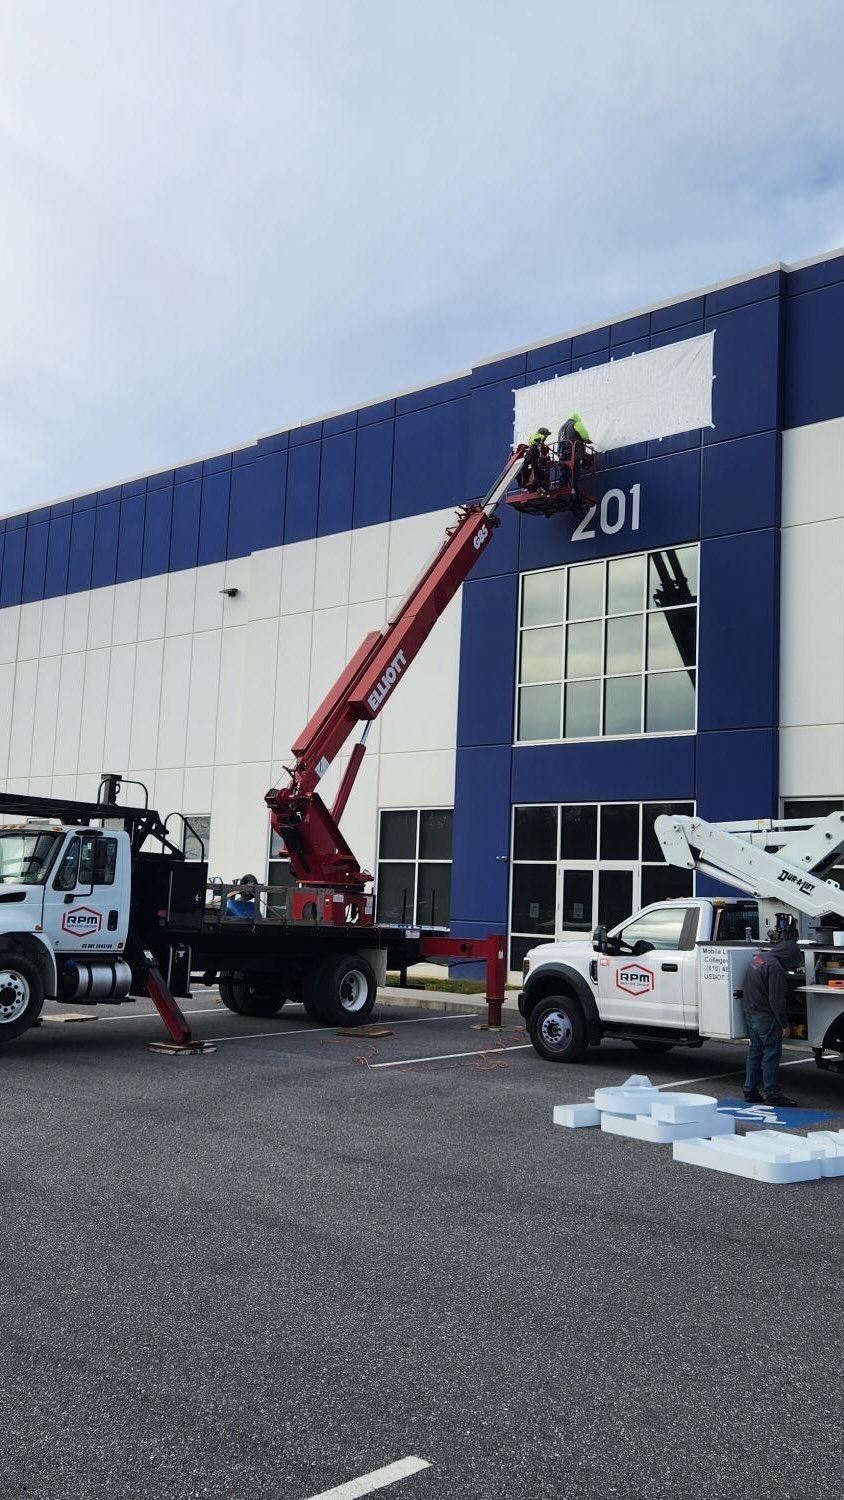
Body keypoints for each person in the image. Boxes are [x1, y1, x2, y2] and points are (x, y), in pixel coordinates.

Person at [742, 939, 804, 1105]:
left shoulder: (759, 958)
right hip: (765, 1015)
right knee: (771, 1053)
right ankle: (773, 1094)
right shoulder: (775, 967)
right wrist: (784, 1024)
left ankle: (750, 1091)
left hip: (750, 1010)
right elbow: (776, 999)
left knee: (755, 1051)